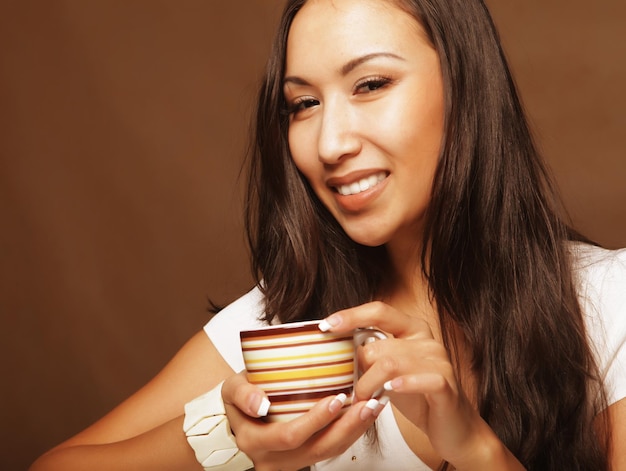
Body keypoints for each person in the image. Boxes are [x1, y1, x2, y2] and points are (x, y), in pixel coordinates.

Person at [30, 0, 625, 470]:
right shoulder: (284, 326)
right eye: (304, 103)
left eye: (370, 85)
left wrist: (475, 448)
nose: (329, 144)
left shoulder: (609, 305)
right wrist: (226, 437)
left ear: (465, 88)